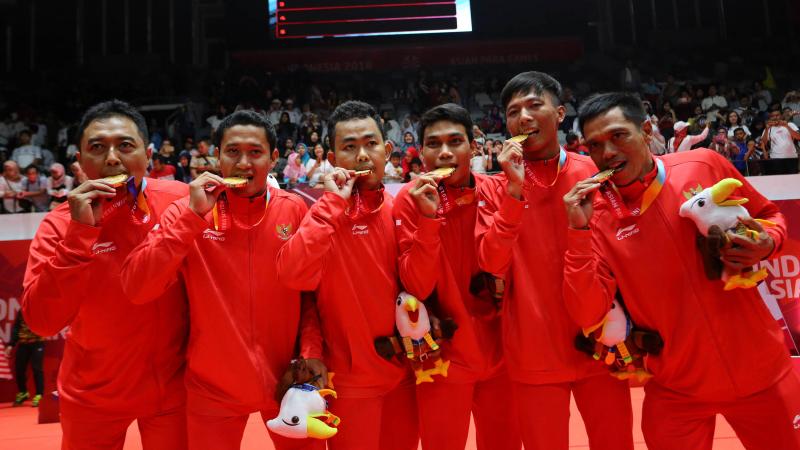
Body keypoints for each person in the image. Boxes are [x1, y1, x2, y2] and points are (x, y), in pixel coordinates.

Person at [562, 91, 800, 450]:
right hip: (676, 390)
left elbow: (770, 215)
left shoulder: (702, 164)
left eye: (618, 136)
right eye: (594, 145)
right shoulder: (596, 214)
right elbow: (587, 310)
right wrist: (578, 233)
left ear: (645, 130)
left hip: (763, 375)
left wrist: (767, 241)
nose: (607, 152)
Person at [121, 109, 324, 450]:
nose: (244, 162)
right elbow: (139, 287)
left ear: (273, 158)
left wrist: (311, 352)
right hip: (211, 390)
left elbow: (310, 298)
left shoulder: (295, 210)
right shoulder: (189, 210)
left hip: (288, 383)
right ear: (216, 156)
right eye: (232, 152)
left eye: (255, 152)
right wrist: (191, 218)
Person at [475, 72, 633, 450]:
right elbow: (491, 263)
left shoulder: (596, 174)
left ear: (560, 112)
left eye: (534, 105)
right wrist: (514, 191)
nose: (524, 118)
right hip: (533, 350)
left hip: (601, 344)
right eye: (513, 112)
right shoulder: (496, 188)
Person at [22, 100, 190, 449]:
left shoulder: (182, 201)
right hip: (92, 393)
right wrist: (79, 235)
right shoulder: (59, 224)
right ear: (80, 163)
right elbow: (41, 321)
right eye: (97, 148)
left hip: (174, 390)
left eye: (125, 145)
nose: (112, 158)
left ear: (149, 154)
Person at [276, 101, 419, 450]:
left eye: (371, 144)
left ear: (388, 150)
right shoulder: (320, 214)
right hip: (350, 382)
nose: (362, 156)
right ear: (331, 156)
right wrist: (330, 206)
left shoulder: (402, 208)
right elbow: (294, 278)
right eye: (349, 147)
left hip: (406, 377)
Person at [394, 103, 521, 450]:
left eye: (455, 141)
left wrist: (513, 197)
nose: (445, 152)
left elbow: (499, 263)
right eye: (434, 144)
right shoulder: (408, 200)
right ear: (421, 152)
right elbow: (418, 285)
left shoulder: (499, 189)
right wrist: (428, 220)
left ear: (474, 147)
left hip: (503, 353)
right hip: (442, 358)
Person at [7, 313, 45, 407]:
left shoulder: (40, 309)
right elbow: (16, 328)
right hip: (23, 344)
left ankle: (39, 395)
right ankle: (23, 392)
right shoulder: (22, 311)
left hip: (37, 343)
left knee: (37, 368)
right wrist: (11, 345)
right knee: (19, 368)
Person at [761, 109, 800, 174]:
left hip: (792, 157)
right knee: (779, 180)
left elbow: (798, 137)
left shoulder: (790, 124)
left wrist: (786, 126)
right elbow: (764, 143)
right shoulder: (768, 128)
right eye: (772, 116)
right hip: (776, 159)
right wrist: (767, 129)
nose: (775, 117)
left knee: (793, 180)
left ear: (781, 116)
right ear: (770, 118)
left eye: (777, 115)